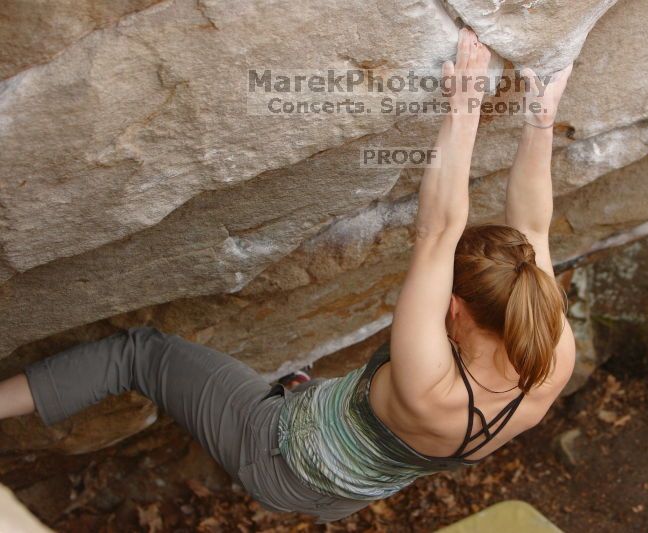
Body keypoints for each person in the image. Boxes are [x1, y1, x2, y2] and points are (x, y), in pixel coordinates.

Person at [0, 28, 576, 524]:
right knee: (314, 387)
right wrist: (540, 123)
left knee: (139, 353)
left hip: (276, 458)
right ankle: (297, 392)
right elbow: (535, 228)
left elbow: (439, 229)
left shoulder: (429, 381)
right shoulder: (553, 356)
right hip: (348, 490)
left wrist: (463, 105)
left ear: (454, 306)